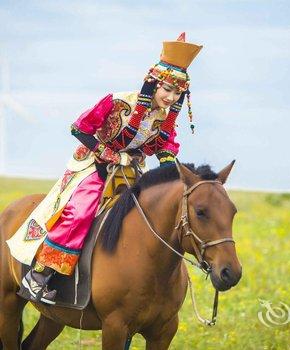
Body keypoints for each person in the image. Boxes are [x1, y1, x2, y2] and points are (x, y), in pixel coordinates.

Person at [17, 32, 203, 304]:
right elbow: (79, 128)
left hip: (132, 170)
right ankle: (40, 275)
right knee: (80, 211)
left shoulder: (165, 119)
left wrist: (169, 170)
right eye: (167, 89)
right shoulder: (118, 101)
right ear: (153, 84)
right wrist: (109, 154)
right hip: (93, 164)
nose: (171, 96)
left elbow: (166, 147)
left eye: (177, 92)